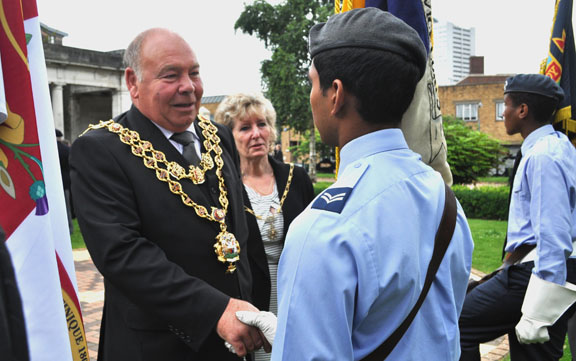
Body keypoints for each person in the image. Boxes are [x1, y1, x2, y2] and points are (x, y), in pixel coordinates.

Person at [238, 8, 475, 360]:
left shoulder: (323, 229)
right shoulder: (445, 201)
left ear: (336, 94)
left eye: (312, 83)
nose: (311, 96)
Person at [70, 28, 268, 360]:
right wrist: (215, 310)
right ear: (133, 82)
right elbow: (123, 255)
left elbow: (241, 232)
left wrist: (254, 309)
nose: (188, 87)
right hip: (157, 347)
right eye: (170, 75)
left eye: (194, 73)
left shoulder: (217, 136)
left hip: (234, 340)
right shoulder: (101, 150)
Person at [459, 74, 576, 361]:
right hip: (535, 270)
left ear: (523, 110)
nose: (503, 114)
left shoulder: (542, 157)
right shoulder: (556, 146)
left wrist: (541, 305)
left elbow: (553, 232)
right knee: (532, 355)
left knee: (456, 322)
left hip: (540, 273)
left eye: (506, 105)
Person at [214, 93, 314, 361]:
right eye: (245, 128)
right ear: (229, 137)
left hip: (298, 299)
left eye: (262, 124)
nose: (256, 134)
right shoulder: (223, 188)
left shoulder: (297, 178)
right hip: (251, 303)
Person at [56, 129, 73, 234]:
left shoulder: (51, 150)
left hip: (55, 183)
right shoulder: (66, 149)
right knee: (67, 208)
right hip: (66, 181)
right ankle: (70, 228)